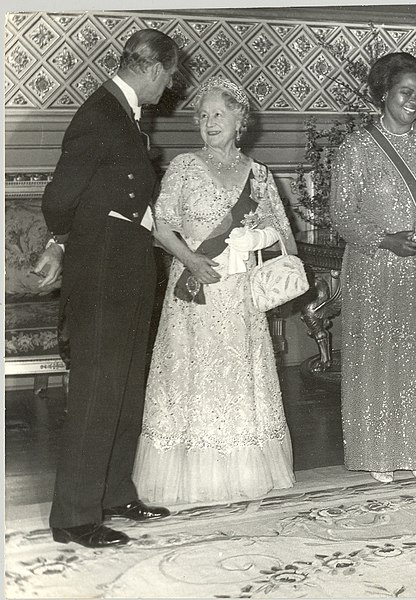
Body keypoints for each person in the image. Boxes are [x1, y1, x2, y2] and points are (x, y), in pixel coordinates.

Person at [34, 29, 178, 548]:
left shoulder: (123, 113)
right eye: (171, 75)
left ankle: (115, 492)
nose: (170, 86)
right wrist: (66, 240)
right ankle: (73, 516)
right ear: (155, 68)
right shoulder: (99, 114)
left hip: (129, 266)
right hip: (102, 269)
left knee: (125, 384)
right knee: (98, 390)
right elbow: (59, 199)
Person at [132, 76, 296, 504]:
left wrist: (256, 238)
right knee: (193, 374)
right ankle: (190, 472)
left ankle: (241, 469)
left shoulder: (260, 176)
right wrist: (190, 259)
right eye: (202, 116)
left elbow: (285, 239)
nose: (209, 122)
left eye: (219, 114)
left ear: (241, 119)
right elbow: (161, 226)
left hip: (240, 294)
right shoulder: (184, 168)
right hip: (194, 290)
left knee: (238, 375)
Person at [330, 52, 416, 483]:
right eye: (405, 92)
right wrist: (385, 239)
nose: (414, 102)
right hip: (376, 269)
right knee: (377, 357)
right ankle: (377, 454)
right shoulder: (355, 149)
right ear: (384, 93)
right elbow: (342, 212)